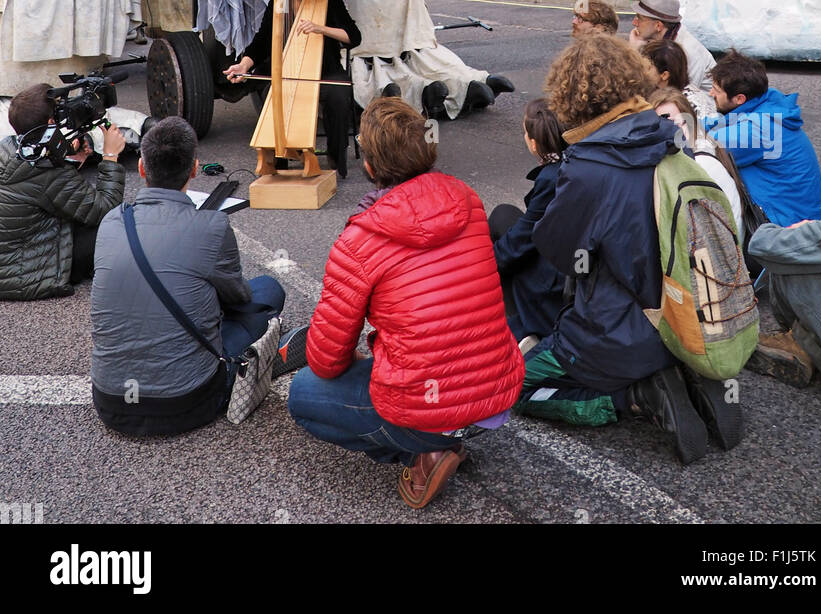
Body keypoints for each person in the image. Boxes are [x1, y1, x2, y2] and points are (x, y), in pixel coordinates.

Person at [288, 97, 525, 510]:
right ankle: (448, 435)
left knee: (304, 393)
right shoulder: (467, 201)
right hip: (496, 390)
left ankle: (423, 450)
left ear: (370, 165)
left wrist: (364, 354)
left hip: (428, 405)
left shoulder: (359, 239)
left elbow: (326, 360)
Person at [523, 33, 741, 462]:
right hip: (686, 318)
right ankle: (683, 371)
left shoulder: (587, 166)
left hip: (612, 332)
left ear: (570, 97)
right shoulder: (669, 140)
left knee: (515, 387)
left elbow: (558, 251)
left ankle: (633, 397)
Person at [90, 116, 285, 437]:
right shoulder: (211, 225)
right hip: (188, 402)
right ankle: (265, 351)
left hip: (111, 402)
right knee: (267, 290)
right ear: (194, 169)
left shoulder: (113, 221)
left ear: (141, 168)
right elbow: (238, 298)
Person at [745, 103, 821, 407]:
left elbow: (763, 246)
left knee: (795, 258)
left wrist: (801, 229)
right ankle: (807, 345)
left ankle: (799, 342)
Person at [224, 0, 361, 178]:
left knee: (339, 95)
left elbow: (354, 37)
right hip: (289, 70)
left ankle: (336, 157)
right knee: (271, 91)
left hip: (327, 70)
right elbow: (261, 42)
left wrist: (320, 28)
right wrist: (244, 64)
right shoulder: (278, 5)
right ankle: (280, 160)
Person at [0, 83, 124, 300]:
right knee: (118, 227)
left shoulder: (8, 147)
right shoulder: (47, 171)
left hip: (10, 252)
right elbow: (105, 209)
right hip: (25, 272)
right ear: (50, 123)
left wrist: (69, 154)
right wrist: (110, 156)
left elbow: (37, 187)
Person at [703, 50, 821, 227]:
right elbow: (720, 123)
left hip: (787, 229)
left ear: (739, 99)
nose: (710, 94)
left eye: (716, 90)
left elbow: (702, 147)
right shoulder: (766, 103)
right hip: (795, 214)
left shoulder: (760, 130)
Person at [489, 98, 567, 346]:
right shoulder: (572, 162)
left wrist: (478, 266)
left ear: (534, 143)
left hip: (557, 285)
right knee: (503, 214)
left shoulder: (550, 179)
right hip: (567, 257)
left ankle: (521, 327)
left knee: (500, 258)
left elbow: (518, 243)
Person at [648, 86, 744, 242]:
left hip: (720, 255)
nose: (672, 133)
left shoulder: (700, 164)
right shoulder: (703, 147)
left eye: (678, 125)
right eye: (663, 126)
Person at [629, 0, 714, 93]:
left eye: (639, 19)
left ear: (658, 26)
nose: (634, 23)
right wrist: (635, 50)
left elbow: (682, 98)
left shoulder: (688, 51)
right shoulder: (657, 40)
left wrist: (634, 53)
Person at [642, 37, 715, 121]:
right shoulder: (656, 92)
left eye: (647, 68)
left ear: (664, 75)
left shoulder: (688, 104)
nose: (642, 71)